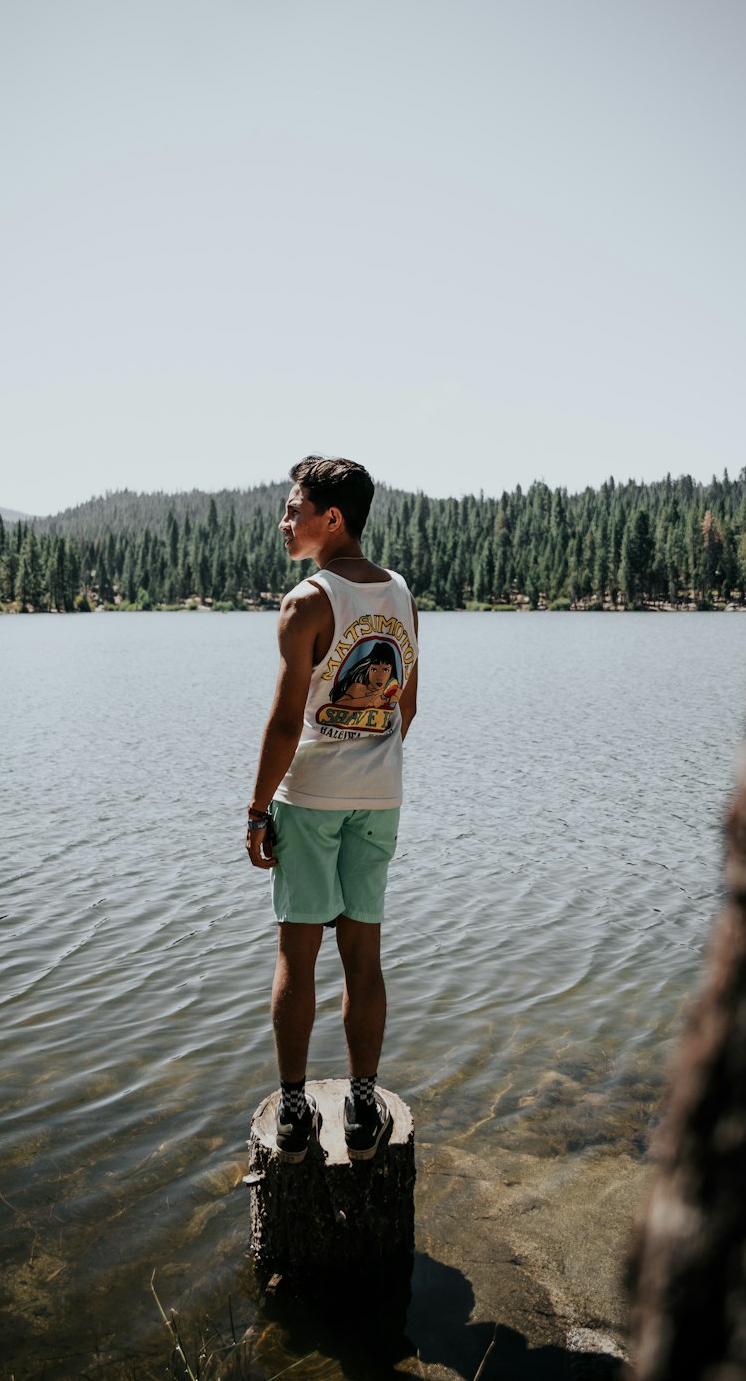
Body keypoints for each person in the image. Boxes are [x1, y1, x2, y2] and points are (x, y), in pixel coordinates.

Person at [246, 456, 419, 1164]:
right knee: (363, 958)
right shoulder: (401, 593)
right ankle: (362, 1102)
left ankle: (292, 1110)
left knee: (298, 952)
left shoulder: (306, 602)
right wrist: (368, 757)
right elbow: (406, 703)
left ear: (332, 519)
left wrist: (259, 811)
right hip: (378, 799)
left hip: (311, 799)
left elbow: (287, 722)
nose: (284, 522)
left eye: (294, 510)